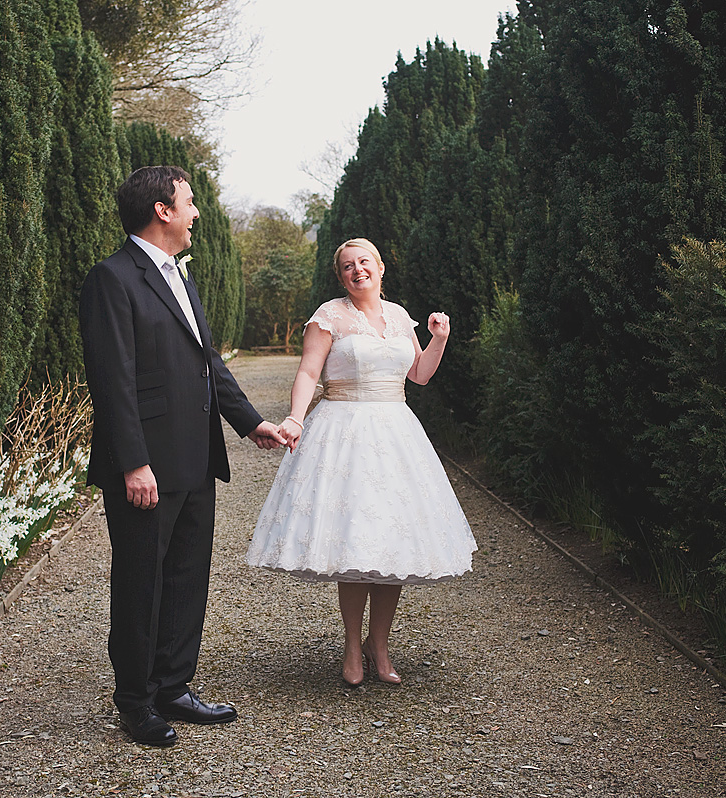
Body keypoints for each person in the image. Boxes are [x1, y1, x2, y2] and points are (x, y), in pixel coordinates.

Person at [79, 165, 286, 746]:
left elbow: (207, 363)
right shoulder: (112, 279)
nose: (197, 213)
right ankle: (136, 703)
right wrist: (132, 461)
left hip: (196, 458)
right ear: (162, 211)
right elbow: (112, 380)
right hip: (145, 467)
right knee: (142, 584)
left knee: (188, 579)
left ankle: (174, 687)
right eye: (189, 203)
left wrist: (251, 424)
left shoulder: (181, 278)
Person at [245, 237, 477, 686]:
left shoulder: (399, 316)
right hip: (343, 432)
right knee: (353, 544)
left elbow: (419, 375)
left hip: (396, 434)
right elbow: (309, 373)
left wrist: (439, 340)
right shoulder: (329, 317)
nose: (358, 270)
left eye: (364, 262)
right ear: (341, 276)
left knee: (391, 544)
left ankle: (380, 644)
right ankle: (352, 645)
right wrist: (295, 418)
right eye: (348, 266)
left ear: (381, 267)